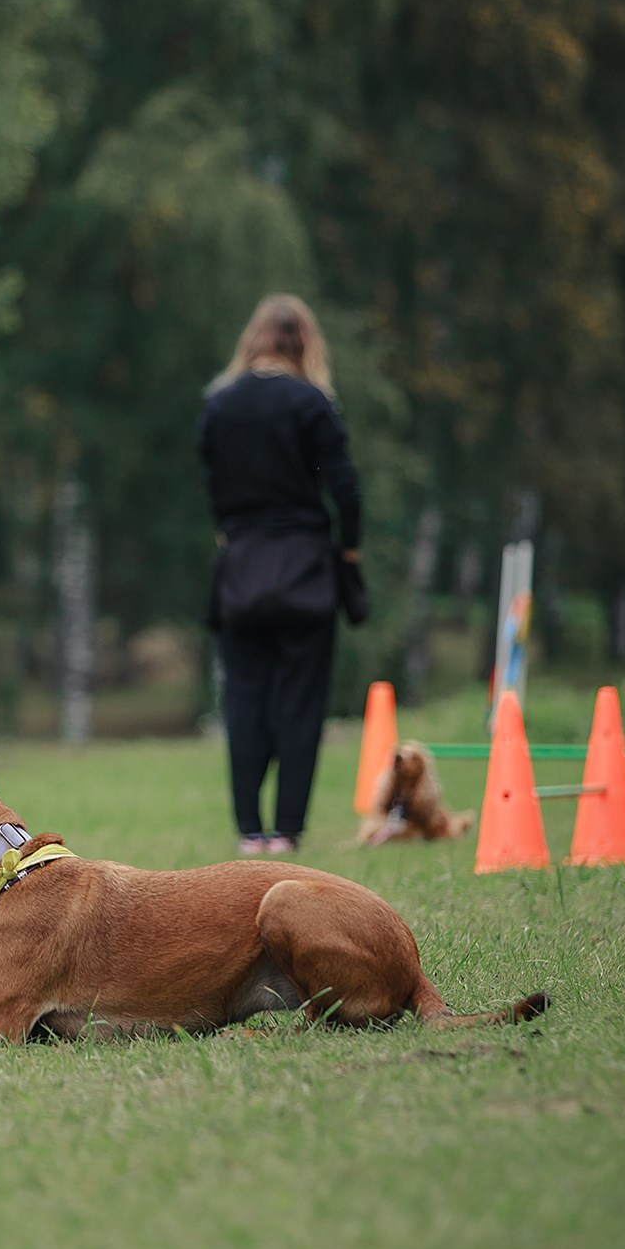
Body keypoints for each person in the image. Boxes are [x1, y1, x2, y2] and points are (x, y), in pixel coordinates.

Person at [198, 295, 363, 855]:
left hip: (241, 569)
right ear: (305, 345)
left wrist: (232, 531)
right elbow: (344, 487)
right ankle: (287, 831)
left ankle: (249, 831)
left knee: (244, 700)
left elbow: (213, 483)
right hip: (305, 571)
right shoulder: (312, 402)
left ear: (254, 340)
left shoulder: (220, 405)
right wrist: (352, 555)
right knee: (300, 703)